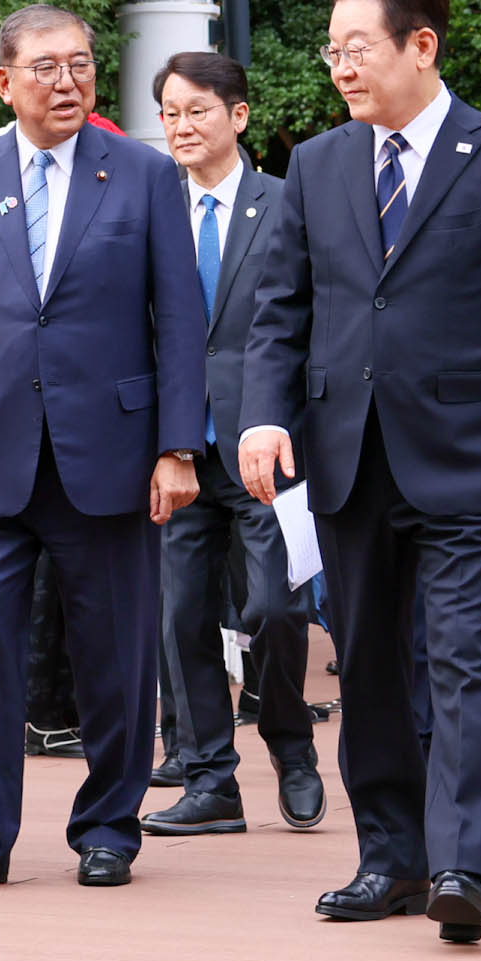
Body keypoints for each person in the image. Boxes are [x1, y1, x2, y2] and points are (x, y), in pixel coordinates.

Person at [241, 0, 481, 946]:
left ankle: (460, 865)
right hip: (344, 458)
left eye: (358, 49)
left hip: (467, 456)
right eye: (330, 50)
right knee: (369, 666)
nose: (340, 67)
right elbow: (279, 309)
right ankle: (386, 855)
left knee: (465, 657)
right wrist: (265, 415)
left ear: (420, 45)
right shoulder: (316, 163)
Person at [0, 6, 205, 890]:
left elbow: (179, 318)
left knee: (113, 651)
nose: (66, 82)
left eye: (81, 65)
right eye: (45, 68)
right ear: (4, 82)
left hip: (109, 451)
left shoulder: (143, 175)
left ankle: (109, 825)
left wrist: (178, 447)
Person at [144, 51, 325, 838]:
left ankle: (292, 744)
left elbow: (310, 326)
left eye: (199, 112)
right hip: (178, 454)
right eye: (171, 114)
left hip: (269, 454)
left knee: (275, 610)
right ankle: (211, 778)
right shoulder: (146, 209)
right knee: (181, 617)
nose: (183, 127)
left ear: (239, 117)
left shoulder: (289, 205)